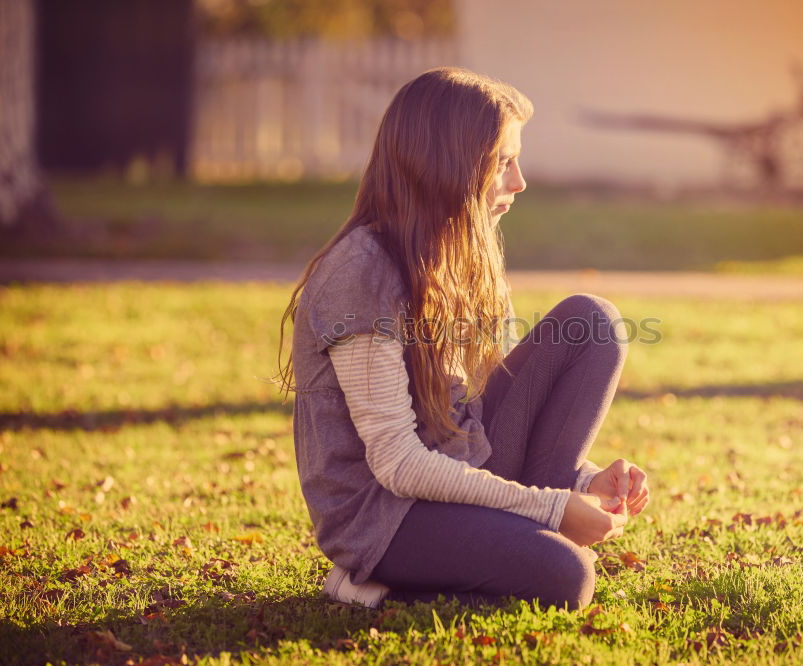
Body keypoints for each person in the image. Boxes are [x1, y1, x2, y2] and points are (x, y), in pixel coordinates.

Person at [277, 67, 650, 611]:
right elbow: (398, 464)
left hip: (461, 473)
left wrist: (588, 481)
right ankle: (372, 587)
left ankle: (524, 536)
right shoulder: (361, 272)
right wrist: (551, 511)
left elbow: (485, 414)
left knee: (593, 321)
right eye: (502, 162)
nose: (519, 181)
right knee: (567, 577)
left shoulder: (465, 259)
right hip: (388, 515)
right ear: (449, 166)